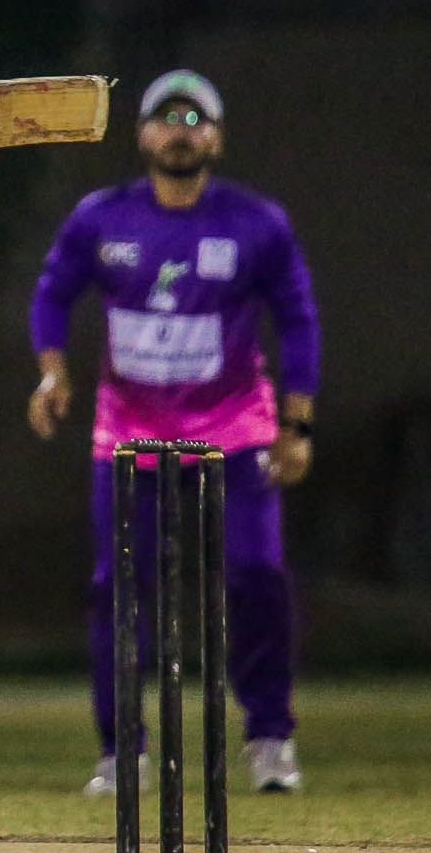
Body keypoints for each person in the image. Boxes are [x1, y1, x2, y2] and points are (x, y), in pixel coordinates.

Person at [25, 69, 319, 795]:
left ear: (216, 137)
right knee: (118, 587)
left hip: (236, 432)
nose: (180, 132)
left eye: (195, 120)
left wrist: (296, 425)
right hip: (129, 435)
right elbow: (52, 294)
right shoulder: (102, 217)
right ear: (142, 134)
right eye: (166, 118)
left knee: (257, 577)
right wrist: (53, 374)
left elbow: (298, 319)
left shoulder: (256, 222)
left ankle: (270, 738)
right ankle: (121, 750)